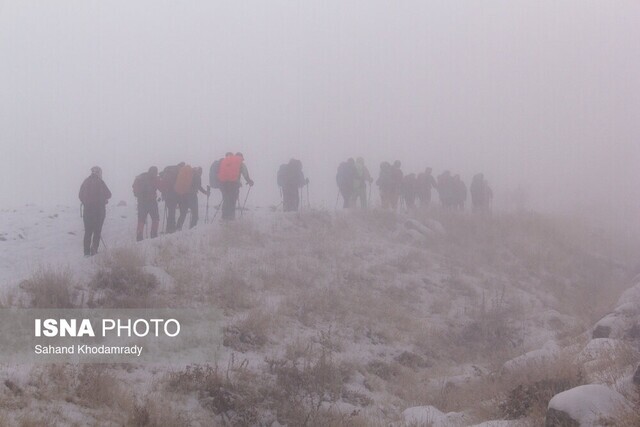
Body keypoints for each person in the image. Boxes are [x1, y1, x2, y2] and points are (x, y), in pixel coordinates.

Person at [78, 166, 111, 256]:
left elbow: (80, 195)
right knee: (97, 231)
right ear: (99, 173)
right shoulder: (100, 182)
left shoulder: (85, 182)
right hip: (99, 211)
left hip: (87, 211)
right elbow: (109, 194)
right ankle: (94, 250)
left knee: (88, 231)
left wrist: (86, 203)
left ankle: (86, 252)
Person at [217, 152, 254, 220]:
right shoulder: (240, 163)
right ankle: (231, 218)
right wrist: (249, 181)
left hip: (223, 184)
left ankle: (224, 217)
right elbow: (245, 174)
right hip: (233, 184)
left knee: (226, 199)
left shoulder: (226, 162)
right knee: (232, 200)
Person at [133, 166, 160, 241]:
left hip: (142, 202)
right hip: (151, 202)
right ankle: (153, 235)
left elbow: (135, 190)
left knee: (141, 219)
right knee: (156, 218)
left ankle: (139, 237)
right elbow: (160, 186)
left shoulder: (141, 177)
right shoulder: (154, 179)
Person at [158, 162, 184, 233]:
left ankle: (169, 228)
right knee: (172, 212)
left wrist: (164, 193)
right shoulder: (177, 172)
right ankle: (171, 229)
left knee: (171, 212)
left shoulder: (169, 172)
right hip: (174, 194)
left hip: (168, 194)